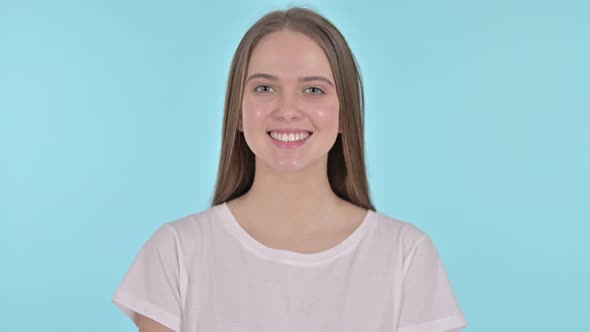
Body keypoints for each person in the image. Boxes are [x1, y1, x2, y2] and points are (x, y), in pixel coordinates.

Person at [112, 6, 467, 332]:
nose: (287, 109)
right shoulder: (176, 253)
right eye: (265, 88)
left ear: (345, 114)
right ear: (238, 110)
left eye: (313, 89)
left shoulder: (406, 256)